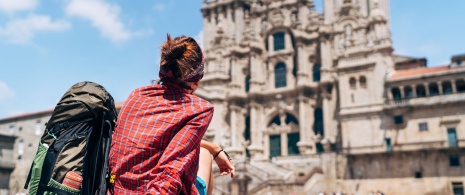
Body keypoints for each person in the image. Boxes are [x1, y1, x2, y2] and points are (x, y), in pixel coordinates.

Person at [108, 34, 233, 194]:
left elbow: (154, 141)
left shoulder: (136, 95)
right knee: (205, 155)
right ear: (196, 80)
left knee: (206, 151)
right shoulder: (200, 109)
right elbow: (170, 171)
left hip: (117, 190)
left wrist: (214, 148)